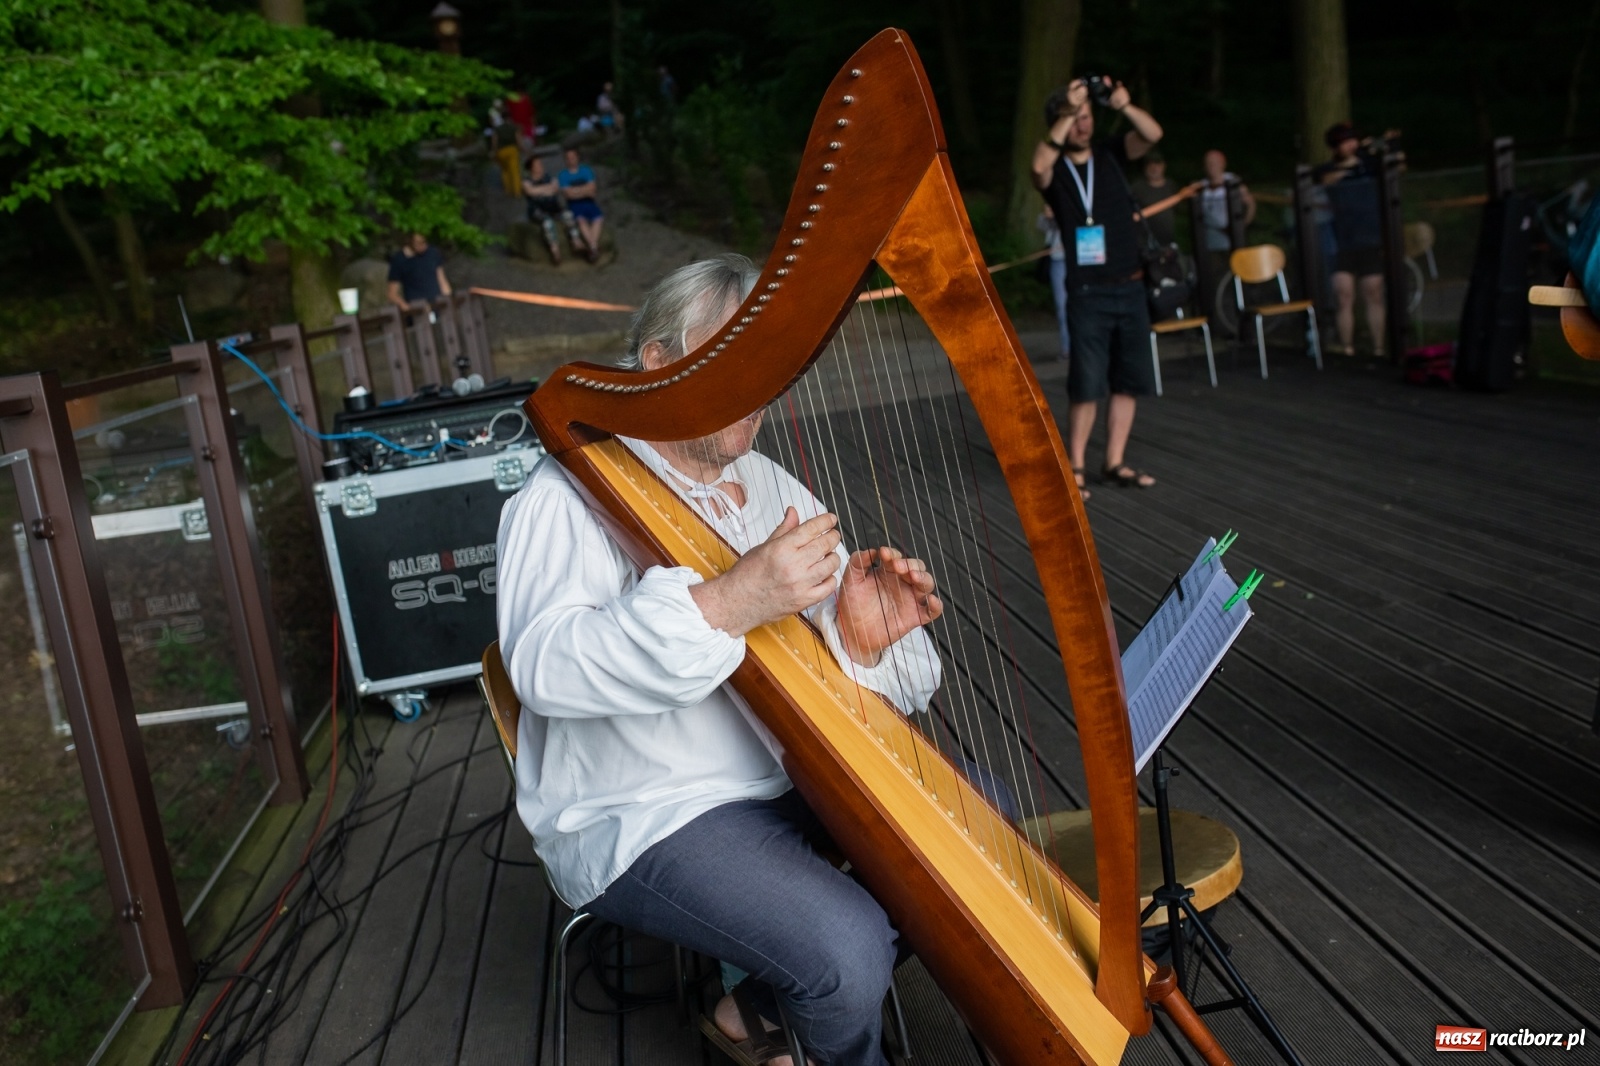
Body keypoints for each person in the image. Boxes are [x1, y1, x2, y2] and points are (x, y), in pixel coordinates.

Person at [496, 254, 949, 1066]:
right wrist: (730, 602)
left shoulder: (767, 484)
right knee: (845, 949)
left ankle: (759, 1011)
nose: (761, 390)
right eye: (733, 362)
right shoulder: (563, 497)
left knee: (964, 827)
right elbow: (544, 668)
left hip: (788, 776)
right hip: (648, 809)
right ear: (661, 364)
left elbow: (899, 677)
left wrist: (860, 642)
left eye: (769, 367)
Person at [1032, 76, 1163, 492]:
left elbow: (1152, 134)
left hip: (1131, 285)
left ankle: (1115, 461)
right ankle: (1076, 468)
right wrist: (1067, 110)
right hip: (1087, 292)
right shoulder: (1055, 173)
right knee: (1086, 381)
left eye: (1087, 117)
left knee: (1129, 378)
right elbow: (1038, 166)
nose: (1082, 125)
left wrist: (1122, 104)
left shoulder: (1110, 154)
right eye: (1074, 118)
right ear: (1060, 123)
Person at [1316, 122, 1387, 357]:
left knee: (1373, 291)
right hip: (1340, 239)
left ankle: (1378, 347)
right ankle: (1347, 348)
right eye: (1346, 142)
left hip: (1369, 237)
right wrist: (1349, 168)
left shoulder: (1369, 166)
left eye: (1353, 140)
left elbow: (1397, 167)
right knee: (1343, 294)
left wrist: (1385, 147)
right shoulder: (1328, 170)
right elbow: (1322, 180)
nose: (1351, 145)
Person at [558, 147, 605, 263]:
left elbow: (593, 189)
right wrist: (584, 191)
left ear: (577, 158)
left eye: (573, 157)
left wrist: (575, 191)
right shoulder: (563, 175)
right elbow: (568, 194)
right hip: (575, 204)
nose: (571, 160)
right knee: (581, 221)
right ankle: (593, 247)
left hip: (589, 202)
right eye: (568, 158)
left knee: (598, 218)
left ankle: (592, 246)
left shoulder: (586, 170)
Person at [1037, 204, 1070, 360]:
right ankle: (1067, 349)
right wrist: (1049, 215)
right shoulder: (1054, 200)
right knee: (1062, 306)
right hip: (1058, 261)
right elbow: (1041, 224)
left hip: (1084, 259)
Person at [386, 232, 450, 311]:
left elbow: (442, 281)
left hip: (438, 304)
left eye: (424, 242)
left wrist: (449, 300)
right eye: (419, 243)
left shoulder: (433, 253)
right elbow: (392, 293)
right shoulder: (399, 260)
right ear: (410, 242)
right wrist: (404, 305)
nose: (423, 245)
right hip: (417, 308)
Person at [1128, 150, 1178, 247]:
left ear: (1164, 166)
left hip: (1170, 242)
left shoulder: (1172, 186)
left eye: (1157, 164)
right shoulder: (1137, 188)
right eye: (1150, 164)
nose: (1154, 168)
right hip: (1145, 243)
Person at [522, 155, 566, 264]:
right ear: (531, 168)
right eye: (537, 165)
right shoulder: (526, 181)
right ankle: (555, 252)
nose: (540, 166)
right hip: (537, 210)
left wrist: (539, 190)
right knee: (547, 223)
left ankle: (577, 241)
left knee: (568, 215)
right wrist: (547, 189)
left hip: (554, 208)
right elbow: (530, 192)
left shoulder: (549, 177)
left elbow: (556, 188)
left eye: (540, 164)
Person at [491, 107, 524, 198]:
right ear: (510, 117)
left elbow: (495, 141)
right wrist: (522, 148)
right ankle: (517, 191)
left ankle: (508, 190)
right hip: (512, 149)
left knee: (505, 170)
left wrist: (494, 152)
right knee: (514, 170)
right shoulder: (514, 127)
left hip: (501, 151)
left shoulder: (497, 129)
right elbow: (518, 139)